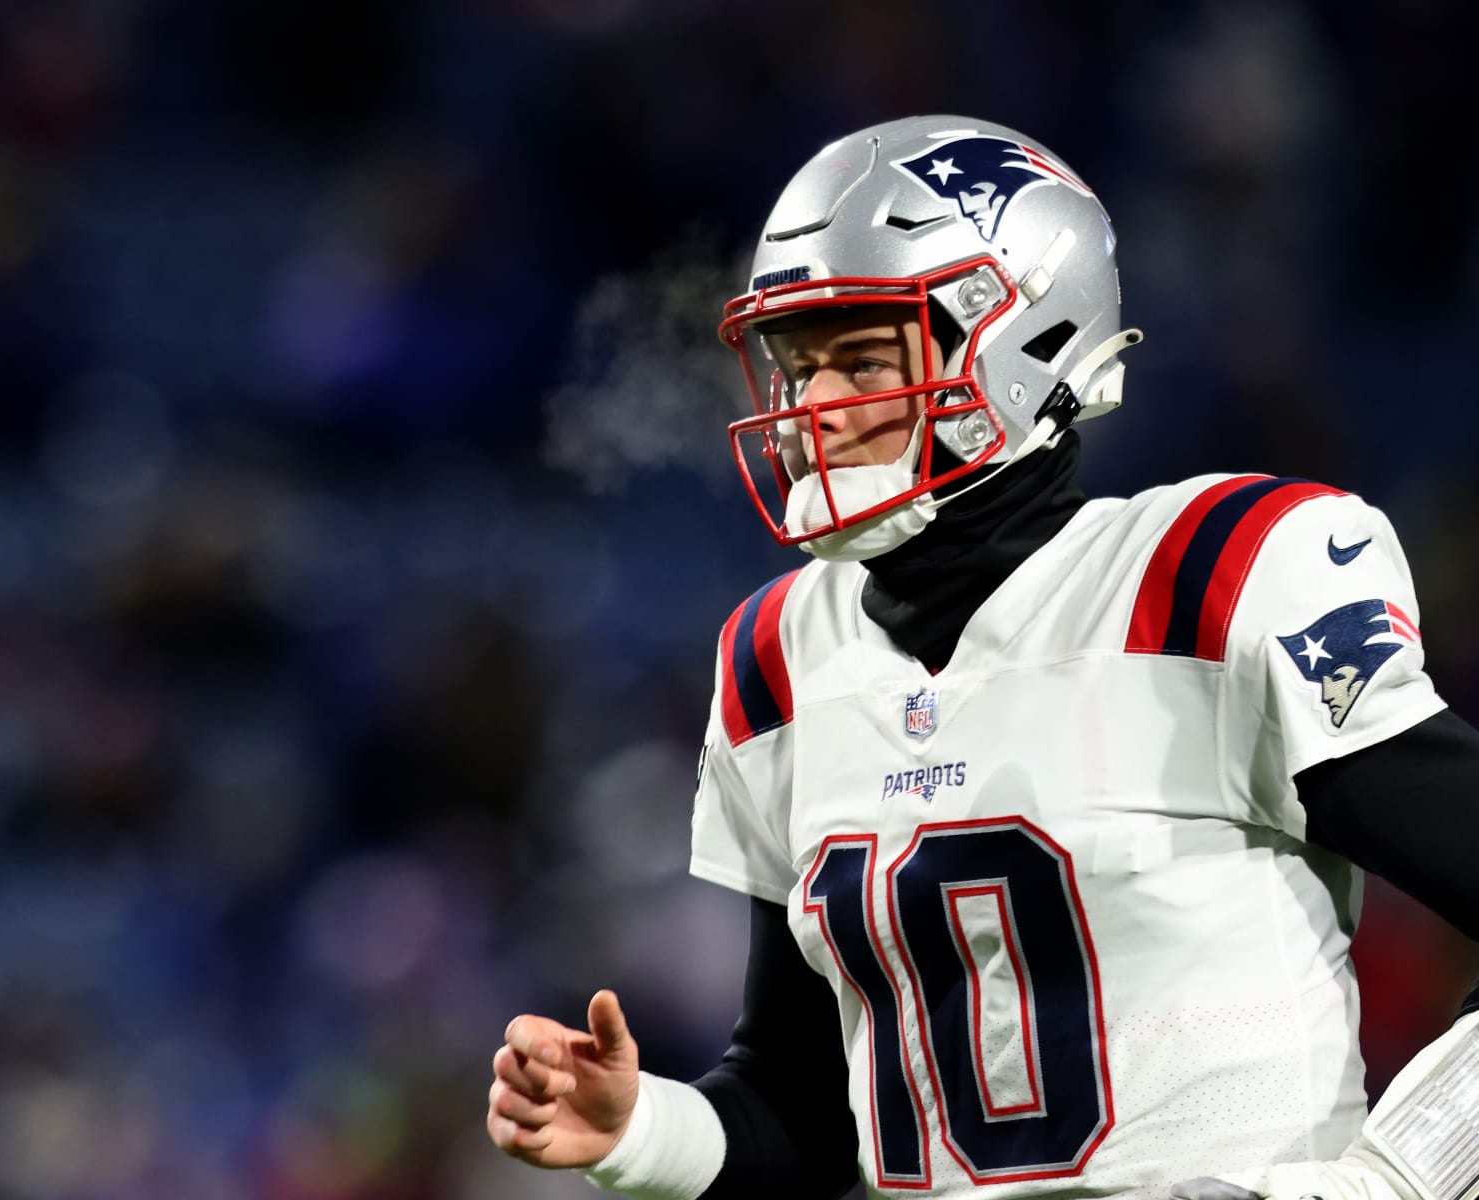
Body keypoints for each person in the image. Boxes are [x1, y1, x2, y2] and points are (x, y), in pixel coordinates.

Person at [485, 115, 1479, 1200]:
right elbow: (805, 1107)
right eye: (796, 364)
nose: (813, 409)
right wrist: (638, 1130)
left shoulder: (1208, 582)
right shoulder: (776, 663)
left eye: (861, 358)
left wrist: (1393, 1179)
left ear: (1024, 346)